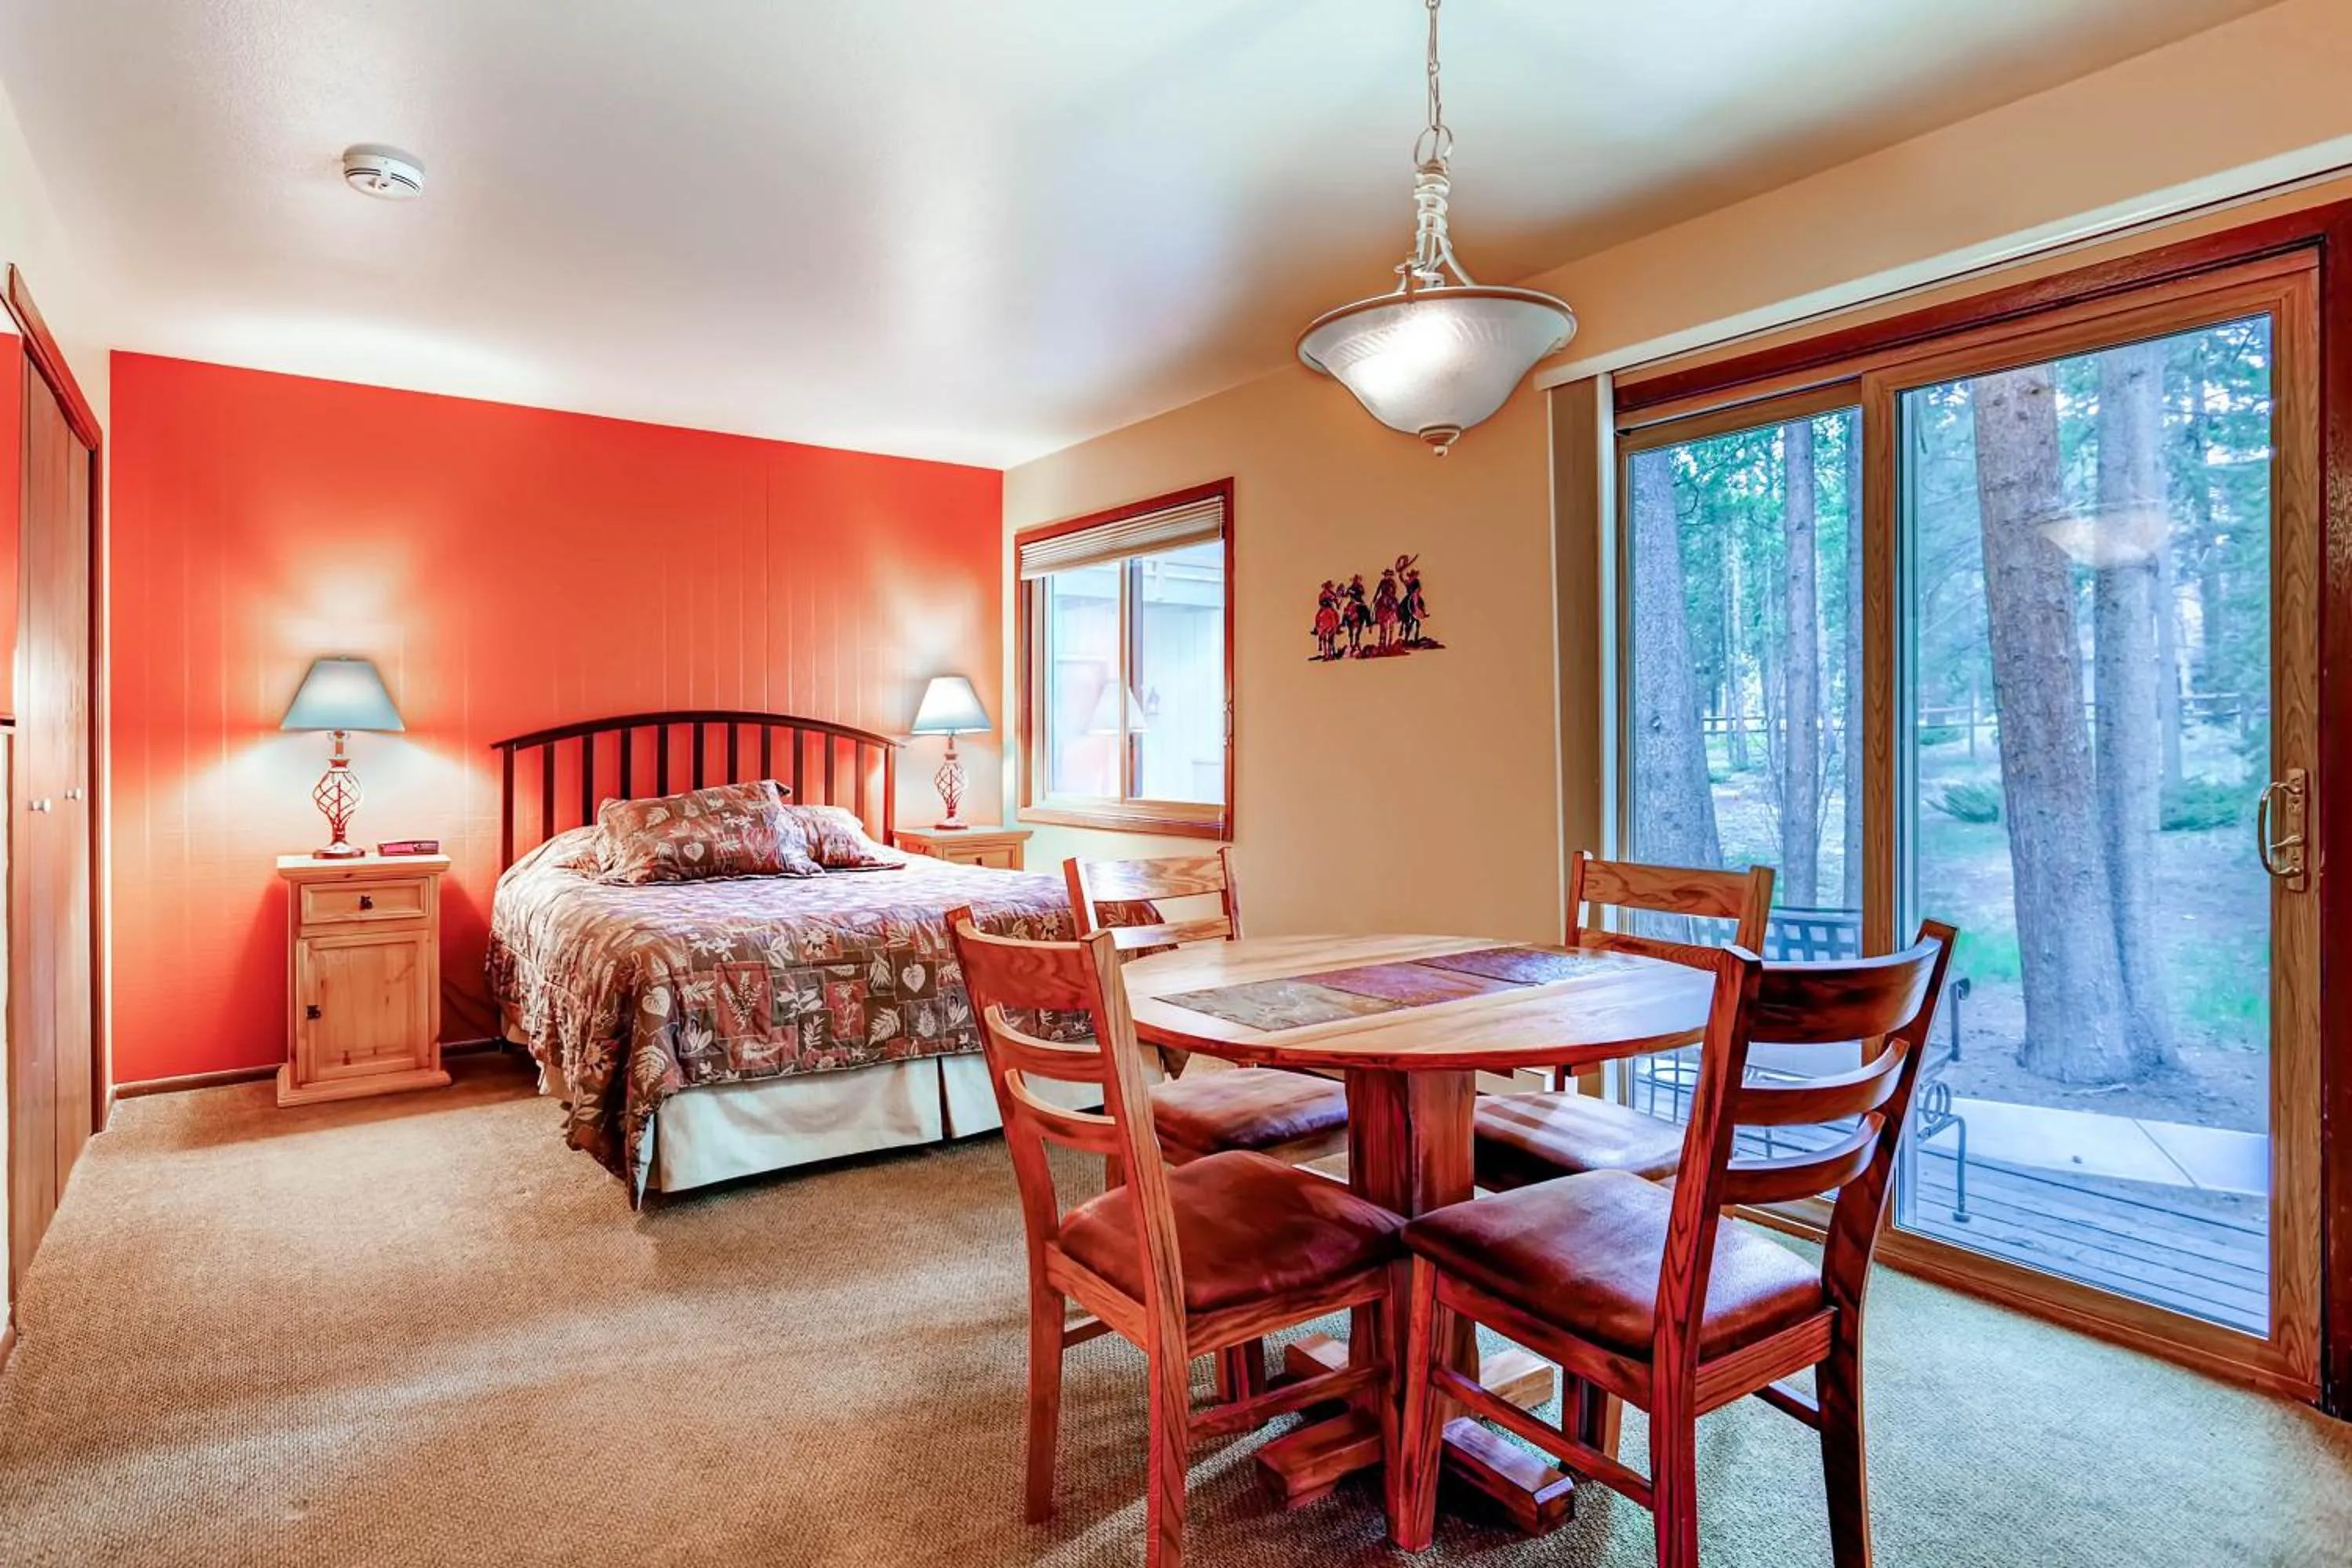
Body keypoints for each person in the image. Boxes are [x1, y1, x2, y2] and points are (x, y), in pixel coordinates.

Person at [1396, 555, 1428, 644]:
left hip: (1414, 594)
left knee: (1418, 602)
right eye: (1412, 575)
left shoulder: (1416, 581)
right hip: (1409, 595)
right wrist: (1400, 574)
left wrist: (1416, 592)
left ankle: (1420, 612)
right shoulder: (1408, 582)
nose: (1413, 576)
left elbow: (1419, 589)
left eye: (1414, 575)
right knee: (1402, 605)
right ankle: (1400, 616)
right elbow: (1402, 580)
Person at [1341, 574, 1371, 655]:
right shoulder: (1350, 588)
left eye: (1357, 580)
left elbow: (1362, 593)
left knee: (1366, 610)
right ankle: (1343, 623)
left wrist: (1355, 593)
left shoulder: (1360, 587)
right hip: (1352, 602)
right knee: (1346, 611)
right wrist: (1342, 593)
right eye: (1354, 580)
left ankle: (1369, 623)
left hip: (1359, 602)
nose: (1355, 581)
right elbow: (1346, 595)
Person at [1312, 579, 1341, 660]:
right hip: (1325, 607)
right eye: (1327, 586)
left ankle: (1337, 627)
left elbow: (1336, 600)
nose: (1328, 588)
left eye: (1329, 586)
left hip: (1328, 607)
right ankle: (1317, 628)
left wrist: (1337, 602)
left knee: (1335, 614)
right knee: (1319, 615)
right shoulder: (1323, 594)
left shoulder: (1331, 593)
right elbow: (1320, 601)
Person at [1372, 568, 1401, 651]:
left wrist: (1391, 594)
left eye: (1388, 575)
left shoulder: (1392, 582)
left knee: (1395, 603)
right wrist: (1375, 598)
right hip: (1383, 595)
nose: (1387, 576)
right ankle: (1376, 618)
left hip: (1390, 596)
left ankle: (1397, 616)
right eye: (1386, 575)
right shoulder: (1382, 582)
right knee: (1377, 605)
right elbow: (1378, 590)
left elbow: (1394, 590)